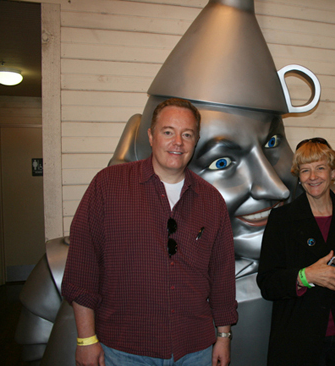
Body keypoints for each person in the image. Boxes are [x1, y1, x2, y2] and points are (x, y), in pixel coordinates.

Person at [61, 97, 238, 366]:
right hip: (124, 349)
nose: (177, 142)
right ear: (151, 136)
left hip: (195, 350)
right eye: (168, 132)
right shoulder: (108, 186)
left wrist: (224, 336)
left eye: (187, 134)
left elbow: (223, 274)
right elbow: (82, 267)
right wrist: (86, 340)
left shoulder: (211, 201)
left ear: (195, 142)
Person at [257, 138, 335, 365]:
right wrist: (305, 276)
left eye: (320, 168)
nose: (313, 177)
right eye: (305, 170)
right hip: (297, 342)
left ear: (333, 172)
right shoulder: (281, 219)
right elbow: (267, 282)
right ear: (298, 177)